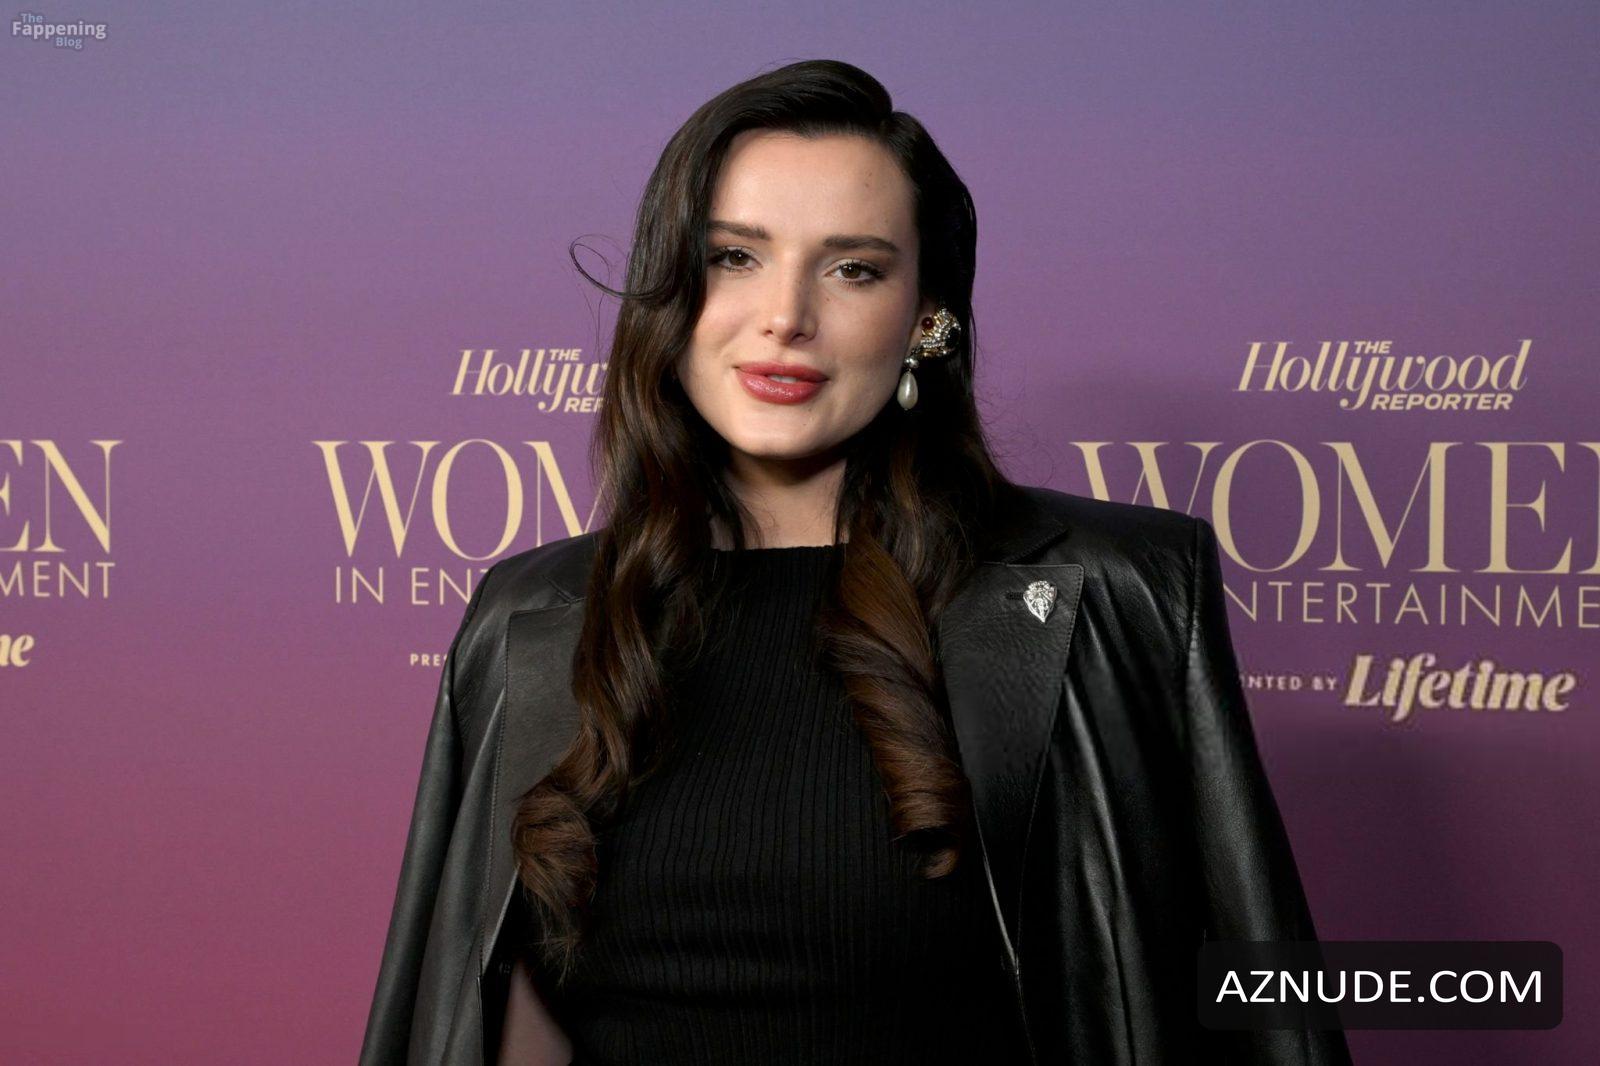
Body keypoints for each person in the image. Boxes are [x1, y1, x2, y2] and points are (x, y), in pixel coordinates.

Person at [359, 59, 1351, 1065]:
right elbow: (477, 1016)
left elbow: (1262, 1004)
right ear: (671, 292)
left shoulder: (1120, 592)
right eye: (734, 257)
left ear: (927, 318)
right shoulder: (528, 617)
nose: (785, 315)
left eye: (854, 269)